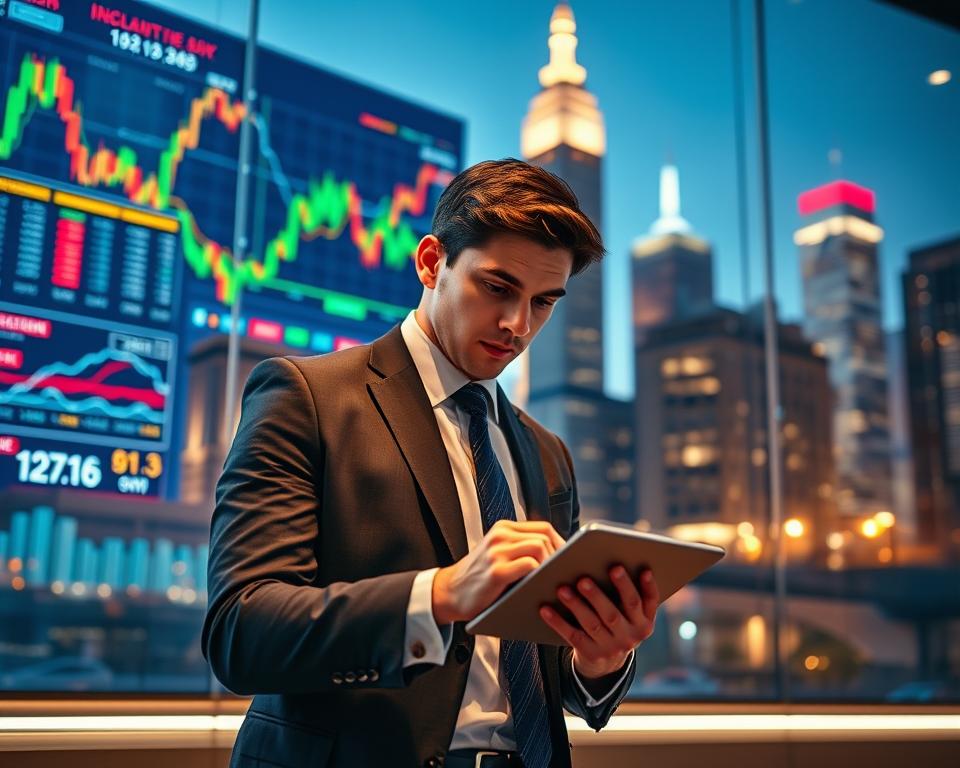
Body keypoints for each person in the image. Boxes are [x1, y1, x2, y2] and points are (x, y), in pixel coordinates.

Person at [202, 158, 660, 768]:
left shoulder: (547, 454)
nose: (518, 325)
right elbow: (241, 632)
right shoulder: (307, 398)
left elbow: (556, 681)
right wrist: (440, 594)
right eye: (497, 288)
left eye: (544, 302)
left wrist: (599, 659)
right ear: (430, 263)